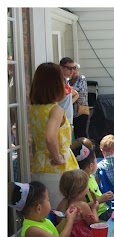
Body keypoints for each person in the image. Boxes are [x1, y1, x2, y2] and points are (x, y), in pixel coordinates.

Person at [29, 62, 79, 208]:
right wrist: (58, 158)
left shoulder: (35, 109)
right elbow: (50, 138)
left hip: (40, 165)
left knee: (48, 212)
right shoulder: (55, 110)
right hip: (58, 170)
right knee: (64, 212)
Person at [56, 169, 99, 237]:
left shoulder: (61, 204)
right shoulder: (82, 205)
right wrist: (94, 209)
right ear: (81, 192)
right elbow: (95, 224)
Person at [71, 139, 114, 221]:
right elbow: (79, 207)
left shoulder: (91, 177)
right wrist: (100, 200)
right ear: (91, 166)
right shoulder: (81, 183)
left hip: (105, 211)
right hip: (97, 216)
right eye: (95, 161)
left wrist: (105, 196)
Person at [58, 57, 79, 127]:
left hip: (69, 120)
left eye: (73, 68)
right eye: (69, 68)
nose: (72, 71)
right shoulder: (57, 82)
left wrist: (69, 103)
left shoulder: (66, 82)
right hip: (60, 121)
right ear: (61, 68)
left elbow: (76, 94)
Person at [70, 63, 89, 139]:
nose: (74, 71)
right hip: (72, 112)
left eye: (75, 69)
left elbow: (81, 90)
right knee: (74, 134)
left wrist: (70, 89)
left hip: (81, 110)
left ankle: (85, 146)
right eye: (72, 69)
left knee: (82, 133)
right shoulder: (68, 81)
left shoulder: (81, 78)